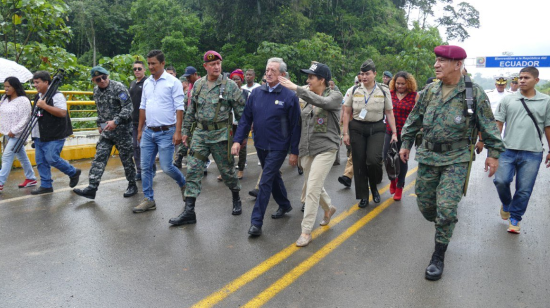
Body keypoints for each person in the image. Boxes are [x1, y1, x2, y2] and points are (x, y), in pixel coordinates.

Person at [400, 45, 504, 281]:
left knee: (446, 208)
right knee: (427, 207)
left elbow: (488, 125)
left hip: (457, 159)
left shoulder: (474, 93)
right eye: (436, 60)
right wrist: (406, 143)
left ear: (458, 65)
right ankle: (442, 225)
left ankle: (438, 255)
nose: (436, 65)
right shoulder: (429, 91)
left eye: (442, 61)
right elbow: (414, 118)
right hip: (428, 157)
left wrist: (493, 153)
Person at [168, 50, 245, 226]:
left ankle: (236, 197)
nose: (216, 67)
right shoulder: (199, 85)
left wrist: (240, 139)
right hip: (200, 135)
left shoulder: (230, 86)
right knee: (193, 170)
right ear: (205, 66)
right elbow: (191, 111)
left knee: (227, 172)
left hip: (221, 136)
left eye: (218, 63)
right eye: (212, 64)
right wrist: (185, 131)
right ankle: (189, 212)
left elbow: (242, 114)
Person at [231, 57, 301, 237]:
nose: (268, 73)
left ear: (282, 75)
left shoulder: (289, 96)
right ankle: (284, 204)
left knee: (265, 181)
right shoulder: (256, 93)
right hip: (261, 144)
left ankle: (256, 223)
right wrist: (238, 140)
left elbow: (295, 126)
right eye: (267, 70)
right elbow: (246, 118)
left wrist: (294, 152)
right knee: (274, 176)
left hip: (278, 147)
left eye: (273, 71)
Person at [279, 62, 342, 247]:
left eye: (311, 78)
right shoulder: (306, 98)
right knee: (313, 184)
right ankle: (329, 207)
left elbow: (322, 102)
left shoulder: (335, 96)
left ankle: (306, 231)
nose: (308, 81)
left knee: (312, 189)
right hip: (307, 149)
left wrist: (297, 89)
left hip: (326, 149)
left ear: (322, 80)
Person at [493, 66, 550, 234]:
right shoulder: (508, 100)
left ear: (536, 80)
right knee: (501, 181)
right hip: (507, 150)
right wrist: (493, 149)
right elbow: (498, 124)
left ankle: (515, 218)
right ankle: (507, 204)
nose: (522, 80)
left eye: (526, 78)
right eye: (520, 77)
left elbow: (548, 126)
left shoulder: (546, 101)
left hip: (532, 152)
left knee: (524, 189)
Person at [133, 50, 186, 213]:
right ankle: (149, 199)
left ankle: (184, 183)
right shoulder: (147, 82)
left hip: (166, 131)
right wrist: (140, 129)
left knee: (167, 167)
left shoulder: (173, 82)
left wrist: (178, 131)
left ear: (162, 63)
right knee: (145, 167)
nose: (150, 67)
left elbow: (179, 107)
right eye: (148, 64)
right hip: (149, 131)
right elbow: (143, 106)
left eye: (153, 63)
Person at [73, 66, 137, 199]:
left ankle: (132, 184)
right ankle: (92, 187)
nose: (102, 81)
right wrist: (100, 125)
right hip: (107, 132)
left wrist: (116, 121)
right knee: (99, 157)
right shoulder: (96, 91)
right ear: (94, 81)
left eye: (104, 77)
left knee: (126, 159)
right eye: (98, 79)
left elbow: (128, 107)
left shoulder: (118, 88)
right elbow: (100, 110)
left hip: (123, 131)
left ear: (108, 76)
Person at [342, 59, 397, 207]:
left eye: (367, 74)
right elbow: (346, 112)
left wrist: (394, 133)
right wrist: (345, 133)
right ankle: (363, 196)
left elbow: (389, 112)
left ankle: (374, 187)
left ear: (374, 74)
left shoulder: (383, 90)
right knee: (359, 162)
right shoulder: (353, 90)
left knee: (373, 160)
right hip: (357, 128)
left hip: (377, 128)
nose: (364, 77)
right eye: (362, 74)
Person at [30, 71, 80, 195]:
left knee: (51, 158)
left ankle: (73, 172)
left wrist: (45, 106)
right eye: (34, 82)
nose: (35, 85)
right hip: (39, 134)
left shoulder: (56, 95)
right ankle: (46, 185)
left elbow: (62, 113)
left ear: (46, 82)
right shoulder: (38, 96)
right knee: (41, 161)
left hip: (54, 134)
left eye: (37, 82)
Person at [382, 71, 418, 201]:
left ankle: (399, 186)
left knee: (402, 159)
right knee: (386, 156)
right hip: (390, 130)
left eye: (403, 83)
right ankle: (392, 179)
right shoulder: (389, 94)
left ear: (408, 83)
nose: (400, 86)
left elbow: (418, 115)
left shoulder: (414, 96)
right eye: (397, 83)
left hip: (406, 133)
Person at [0, 77, 37, 191]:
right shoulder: (4, 99)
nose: (5, 89)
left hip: (17, 134)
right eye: (4, 86)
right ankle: (31, 178)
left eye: (8, 87)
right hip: (6, 133)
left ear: (15, 87)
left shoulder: (23, 100)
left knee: (6, 157)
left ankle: (0, 182)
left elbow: (26, 119)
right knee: (22, 156)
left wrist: (14, 131)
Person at [217, 69, 249, 181]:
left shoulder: (245, 93)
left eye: (238, 79)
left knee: (242, 147)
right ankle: (226, 171)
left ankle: (240, 169)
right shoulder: (226, 91)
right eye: (233, 79)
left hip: (241, 124)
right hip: (229, 124)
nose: (235, 81)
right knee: (227, 147)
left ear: (241, 80)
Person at [173, 66, 200, 169]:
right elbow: (185, 103)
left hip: (198, 121)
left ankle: (201, 165)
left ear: (195, 74)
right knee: (185, 139)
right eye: (186, 77)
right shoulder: (189, 88)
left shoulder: (200, 86)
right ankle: (179, 159)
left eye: (189, 76)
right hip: (188, 119)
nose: (188, 78)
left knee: (196, 144)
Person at [338, 74, 360, 188]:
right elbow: (344, 108)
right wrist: (343, 126)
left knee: (372, 160)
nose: (359, 84)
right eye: (357, 82)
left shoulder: (376, 91)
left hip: (370, 128)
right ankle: (347, 176)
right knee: (353, 150)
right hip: (353, 124)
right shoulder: (351, 91)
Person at [129, 60, 147, 181]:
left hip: (145, 121)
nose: (137, 71)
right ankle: (139, 170)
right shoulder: (132, 83)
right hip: (133, 120)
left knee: (143, 147)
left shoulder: (148, 83)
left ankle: (149, 169)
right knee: (135, 146)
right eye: (135, 69)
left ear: (144, 70)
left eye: (139, 68)